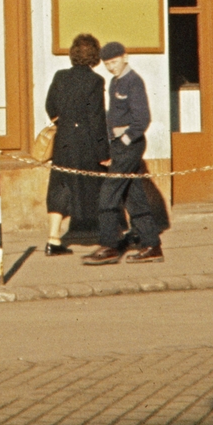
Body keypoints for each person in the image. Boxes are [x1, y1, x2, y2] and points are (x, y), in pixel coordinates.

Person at [83, 42, 164, 265]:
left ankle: (109, 246)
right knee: (133, 196)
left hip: (129, 144)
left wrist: (125, 140)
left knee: (108, 194)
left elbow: (142, 119)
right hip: (118, 145)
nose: (111, 67)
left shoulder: (133, 81)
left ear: (125, 57)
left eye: (114, 62)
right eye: (107, 64)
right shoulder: (114, 82)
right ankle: (152, 245)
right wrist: (111, 144)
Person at [43, 33, 108, 256]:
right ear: (95, 56)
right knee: (94, 185)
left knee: (60, 186)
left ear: (73, 54)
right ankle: (108, 237)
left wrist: (64, 123)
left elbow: (50, 106)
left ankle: (53, 240)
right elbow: (96, 119)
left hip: (64, 140)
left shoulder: (60, 76)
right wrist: (103, 152)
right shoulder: (95, 81)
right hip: (86, 143)